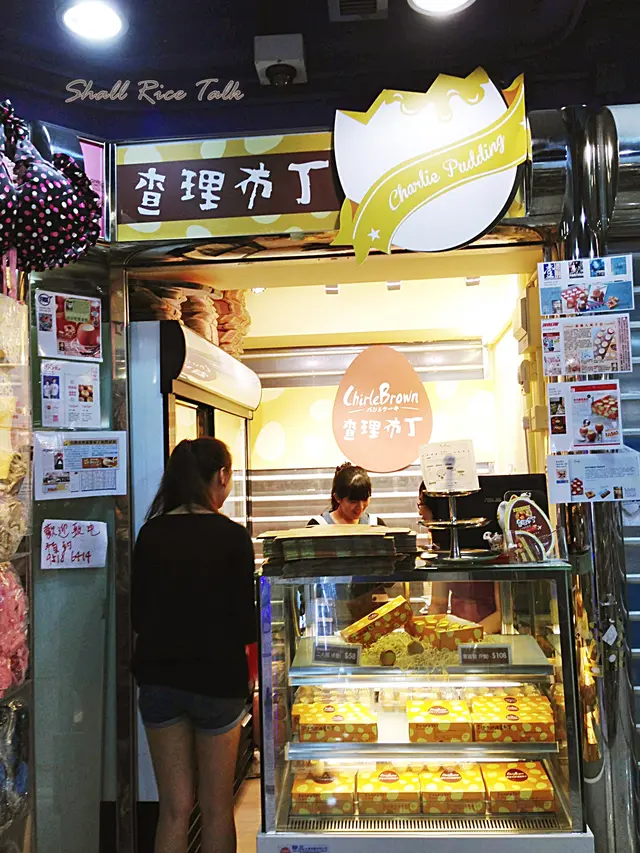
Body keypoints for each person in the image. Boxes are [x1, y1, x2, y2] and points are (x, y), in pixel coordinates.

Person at [131, 438, 256, 853]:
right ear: (220, 476)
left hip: (159, 680)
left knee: (174, 808)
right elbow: (245, 623)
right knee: (216, 807)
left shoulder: (151, 534)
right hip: (218, 680)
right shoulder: (232, 536)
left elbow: (138, 618)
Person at [417, 481, 502, 633]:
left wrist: (468, 638)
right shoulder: (443, 550)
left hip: (491, 636)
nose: (420, 513)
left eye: (421, 504)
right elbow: (438, 604)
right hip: (459, 634)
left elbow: (502, 614)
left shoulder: (492, 547)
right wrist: (428, 634)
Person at [308, 463, 384, 526]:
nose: (360, 507)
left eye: (365, 499)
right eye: (353, 501)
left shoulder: (376, 524)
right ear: (337, 498)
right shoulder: (318, 525)